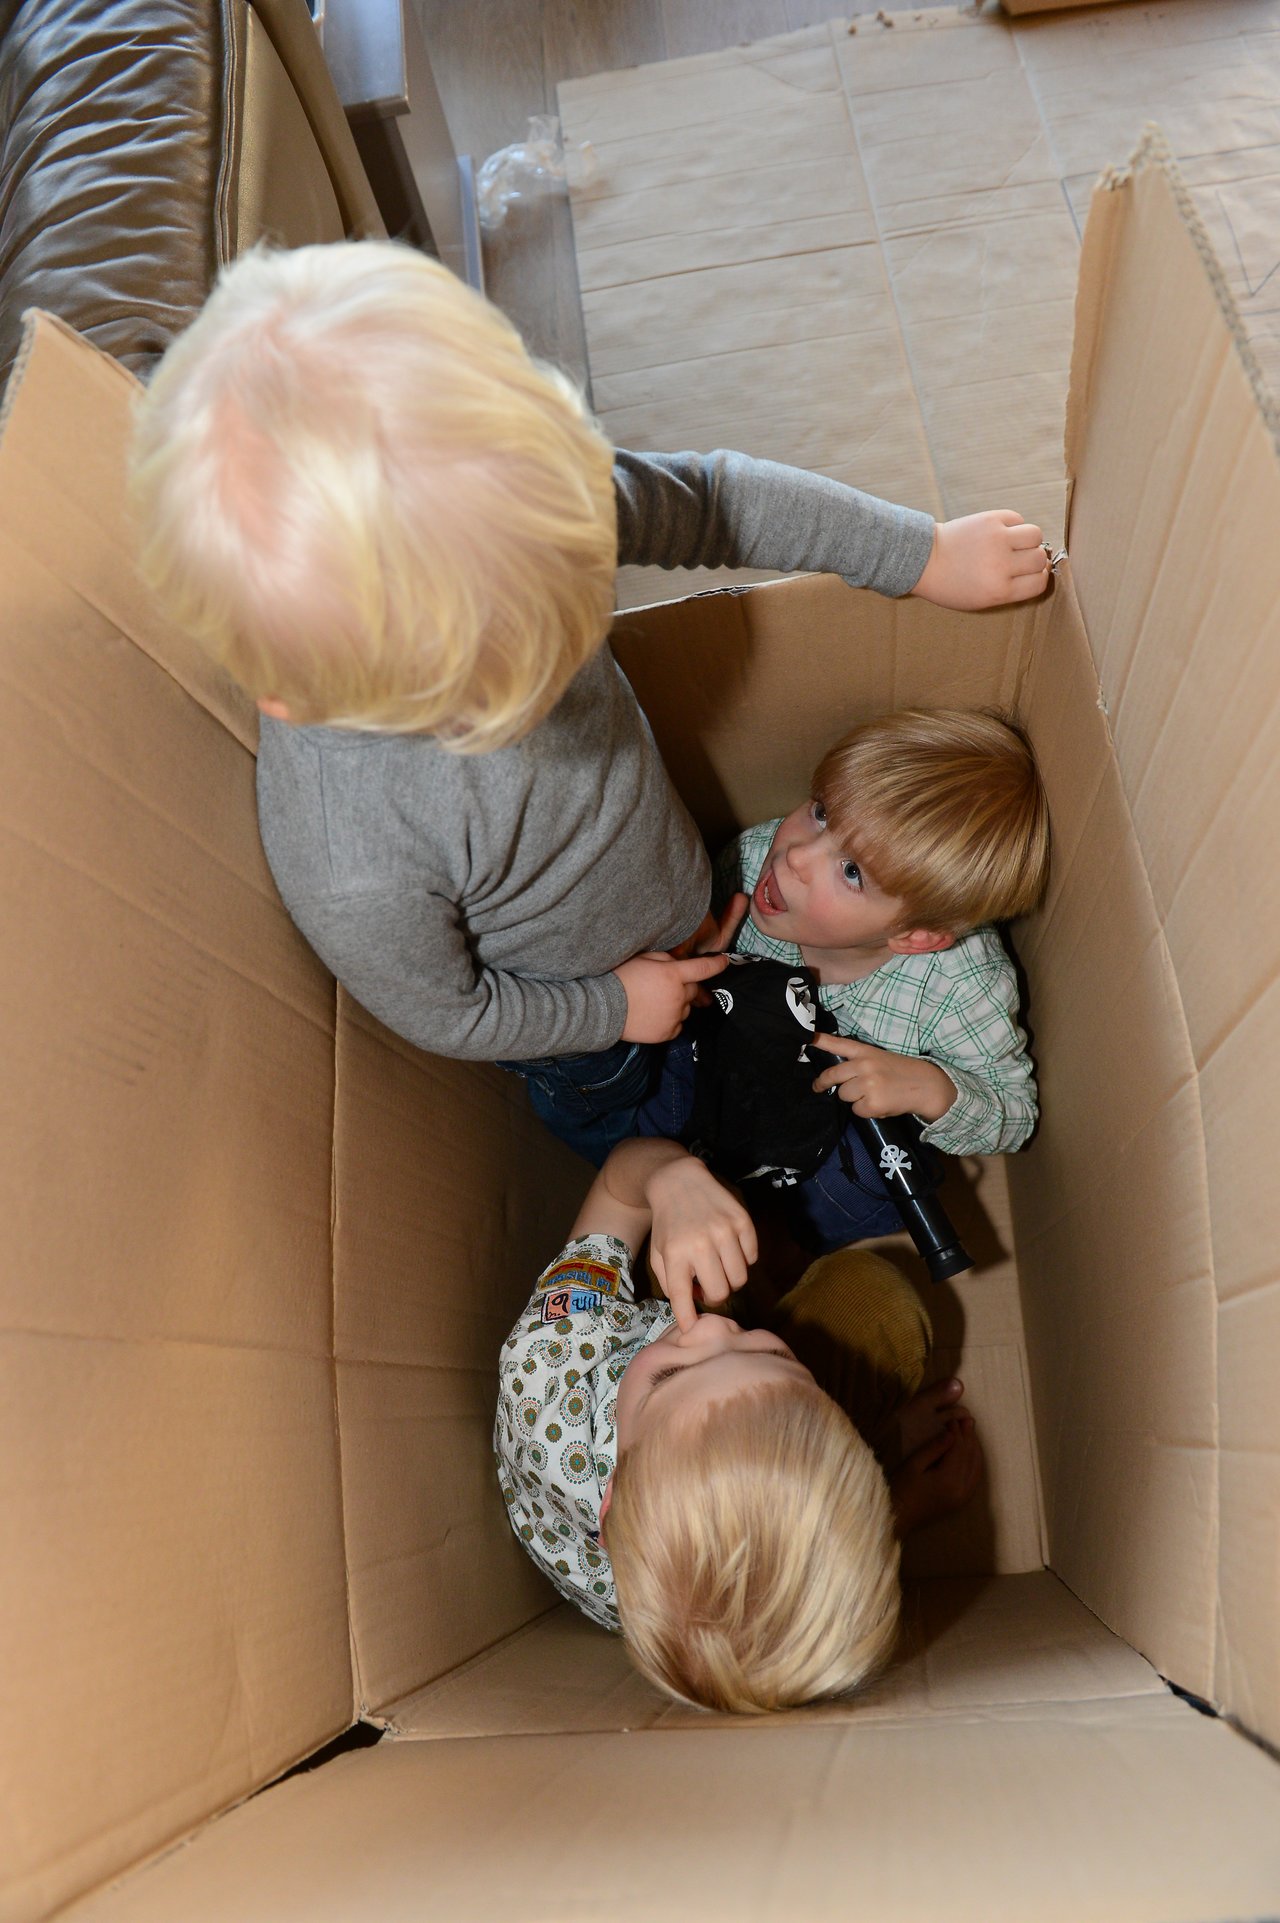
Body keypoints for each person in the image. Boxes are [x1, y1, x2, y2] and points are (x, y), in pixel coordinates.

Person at [129, 241, 1050, 1161]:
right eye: (502, 685)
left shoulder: (514, 511)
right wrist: (616, 1006)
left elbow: (715, 498)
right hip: (581, 1023)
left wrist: (919, 552)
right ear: (292, 692)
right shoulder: (355, 860)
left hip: (689, 901)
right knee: (632, 1122)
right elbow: (448, 1011)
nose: (575, 654)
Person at [495, 1136, 982, 1714]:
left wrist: (667, 1177)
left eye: (669, 1376)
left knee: (706, 1200)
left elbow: (617, 1191)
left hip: (613, 1338)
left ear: (610, 1506)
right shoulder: (724, 1575)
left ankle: (764, 1279)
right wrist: (901, 1499)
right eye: (779, 1360)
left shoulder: (550, 1370)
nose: (713, 1332)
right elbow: (788, 1582)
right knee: (883, 1305)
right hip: (709, 1438)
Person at [637, 708, 1049, 1250]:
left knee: (886, 1178)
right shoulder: (757, 857)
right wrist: (691, 960)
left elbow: (1015, 1114)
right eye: (822, 813)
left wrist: (932, 1087)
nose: (796, 856)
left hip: (823, 1139)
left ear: (916, 937)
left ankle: (777, 1248)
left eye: (852, 872)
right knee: (643, 1035)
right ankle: (651, 1192)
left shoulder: (961, 988)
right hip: (726, 1077)